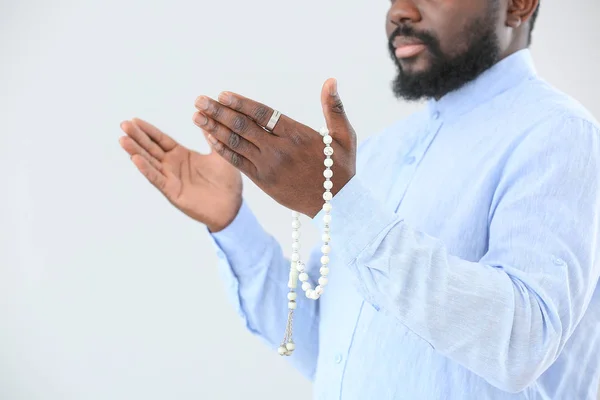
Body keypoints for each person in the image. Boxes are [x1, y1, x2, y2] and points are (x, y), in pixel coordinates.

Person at [118, 0, 600, 398]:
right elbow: (320, 346)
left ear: (517, 6)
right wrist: (231, 223)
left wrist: (340, 202)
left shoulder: (558, 134)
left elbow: (524, 344)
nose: (399, 12)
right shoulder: (378, 153)